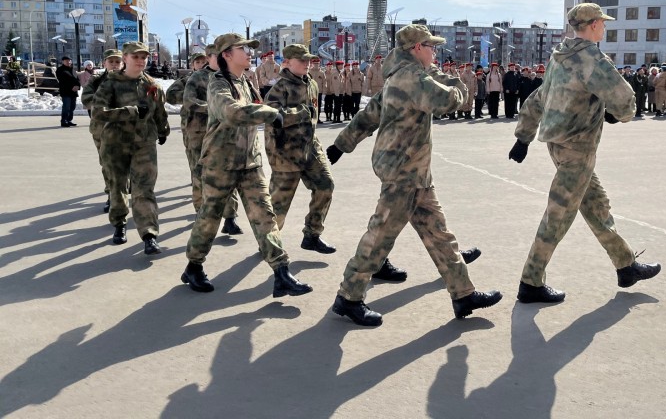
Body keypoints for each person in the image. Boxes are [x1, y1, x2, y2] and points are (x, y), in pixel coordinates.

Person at [327, 24, 502, 327]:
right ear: (416, 48)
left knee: (438, 232)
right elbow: (448, 101)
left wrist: (342, 145)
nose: (434, 51)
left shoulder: (402, 75)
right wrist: (454, 81)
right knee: (380, 235)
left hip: (414, 170)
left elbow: (369, 115)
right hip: (402, 171)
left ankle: (463, 295)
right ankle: (348, 296)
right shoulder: (410, 77)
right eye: (430, 46)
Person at [508, 3, 661, 303]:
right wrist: (620, 113)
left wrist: (524, 137)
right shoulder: (592, 58)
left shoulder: (559, 56)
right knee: (559, 215)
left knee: (595, 204)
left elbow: (540, 97)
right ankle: (531, 282)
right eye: (602, 23)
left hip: (558, 144)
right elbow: (624, 97)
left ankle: (625, 265)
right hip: (578, 147)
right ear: (592, 25)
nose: (604, 27)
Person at [182, 33, 311, 297]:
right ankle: (193, 265)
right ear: (226, 54)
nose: (249, 53)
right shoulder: (217, 84)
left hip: (249, 162)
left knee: (265, 215)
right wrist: (270, 113)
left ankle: (281, 271)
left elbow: (254, 111)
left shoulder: (246, 82)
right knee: (210, 216)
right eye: (243, 49)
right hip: (221, 163)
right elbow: (233, 113)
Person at [92, 42, 170, 254]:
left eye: (143, 57)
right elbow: (98, 112)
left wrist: (163, 130)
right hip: (116, 143)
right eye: (135, 56)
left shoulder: (152, 84)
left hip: (144, 143)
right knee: (118, 186)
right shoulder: (111, 84)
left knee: (144, 188)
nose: (140, 60)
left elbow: (159, 110)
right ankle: (119, 224)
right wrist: (132, 111)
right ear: (125, 58)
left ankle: (149, 234)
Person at [264, 43, 336, 254]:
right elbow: (272, 116)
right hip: (286, 152)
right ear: (287, 62)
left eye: (308, 60)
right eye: (302, 60)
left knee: (326, 186)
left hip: (311, 149)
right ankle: (269, 243)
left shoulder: (311, 83)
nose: (307, 63)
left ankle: (312, 235)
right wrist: (300, 112)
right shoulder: (280, 87)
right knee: (279, 205)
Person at [181, 45, 241, 233]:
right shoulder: (197, 77)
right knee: (199, 175)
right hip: (198, 133)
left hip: (224, 134)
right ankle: (201, 213)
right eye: (217, 56)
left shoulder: (232, 77)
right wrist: (214, 108)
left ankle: (230, 217)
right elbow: (189, 101)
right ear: (209, 58)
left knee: (228, 174)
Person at [81, 49, 124, 213]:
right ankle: (112, 195)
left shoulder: (128, 79)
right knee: (107, 164)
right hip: (102, 128)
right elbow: (86, 99)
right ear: (104, 62)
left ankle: (123, 192)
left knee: (126, 163)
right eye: (111, 61)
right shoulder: (96, 79)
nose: (114, 65)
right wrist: (107, 101)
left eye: (117, 61)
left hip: (125, 128)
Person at [56, 56, 81, 127]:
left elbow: (77, 79)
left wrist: (77, 86)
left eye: (69, 60)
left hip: (73, 92)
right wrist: (72, 87)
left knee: (72, 106)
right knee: (66, 106)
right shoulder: (60, 70)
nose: (68, 62)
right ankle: (64, 121)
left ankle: (69, 120)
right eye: (66, 60)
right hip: (66, 91)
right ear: (63, 61)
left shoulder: (73, 70)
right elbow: (63, 81)